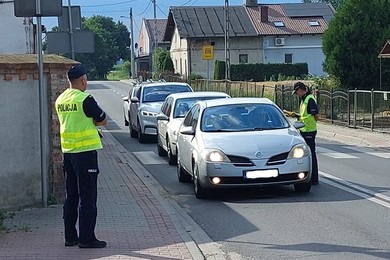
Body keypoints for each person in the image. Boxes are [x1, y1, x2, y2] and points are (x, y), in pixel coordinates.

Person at [55, 64, 107, 248]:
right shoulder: (85, 99)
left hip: (68, 153)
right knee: (88, 196)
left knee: (72, 195)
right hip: (86, 154)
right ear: (83, 80)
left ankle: (70, 236)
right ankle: (87, 238)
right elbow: (102, 119)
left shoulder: (60, 99)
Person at [292, 81, 319, 185]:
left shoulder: (309, 99)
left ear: (300, 89)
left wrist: (311, 123)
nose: (296, 94)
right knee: (307, 154)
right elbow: (305, 115)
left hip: (309, 131)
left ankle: (314, 179)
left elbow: (315, 115)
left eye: (296, 92)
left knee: (311, 154)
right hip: (304, 130)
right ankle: (310, 176)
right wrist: (297, 116)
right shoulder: (304, 99)